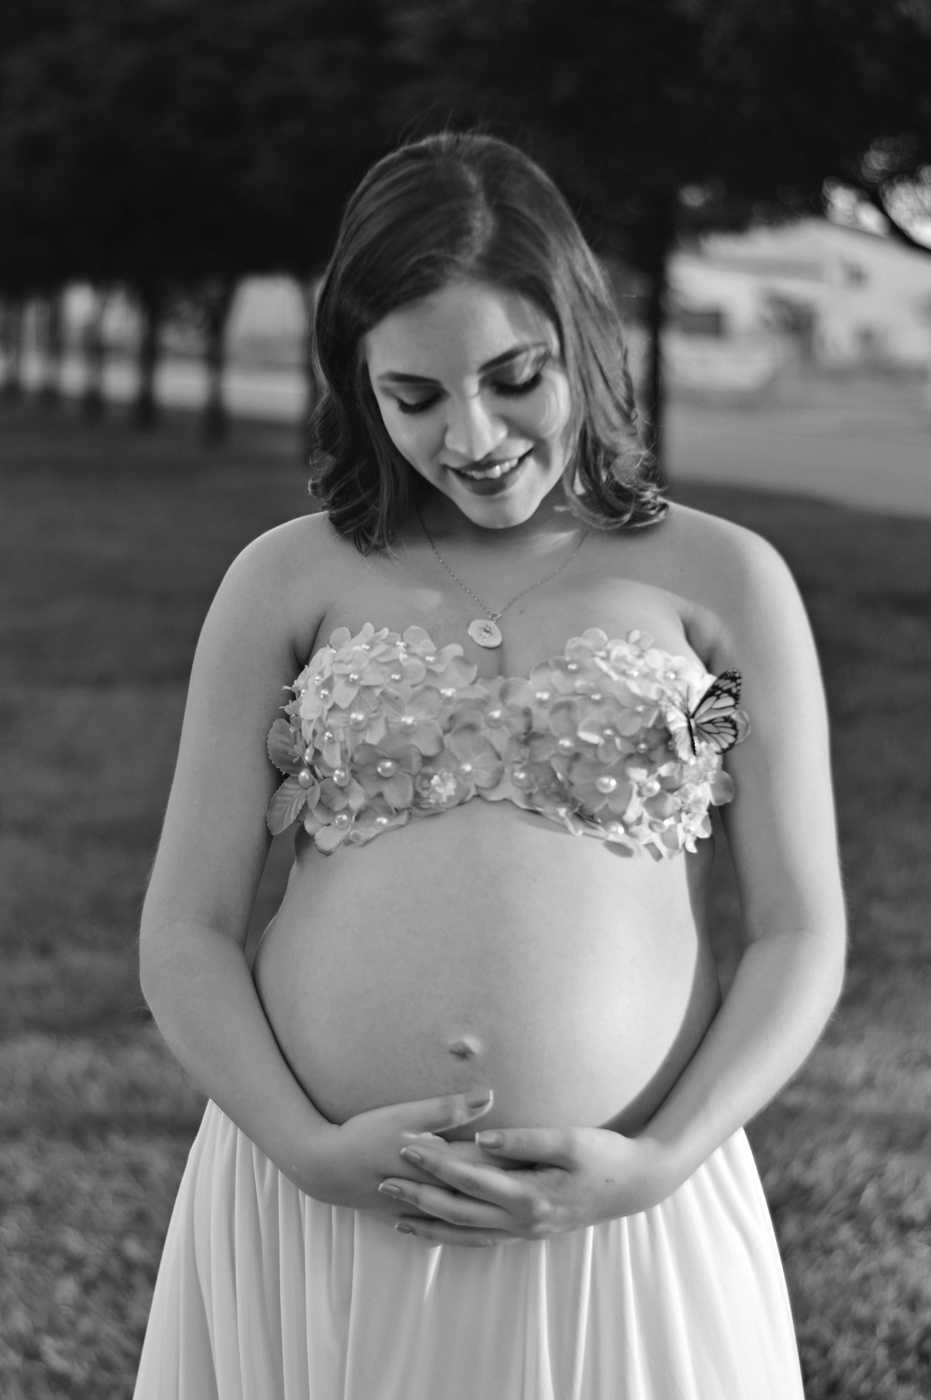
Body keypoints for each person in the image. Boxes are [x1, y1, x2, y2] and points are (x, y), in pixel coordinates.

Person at [133, 131, 846, 1400]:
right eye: (413, 397)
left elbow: (798, 928)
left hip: (620, 1211)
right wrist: (303, 1149)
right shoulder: (285, 580)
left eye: (515, 378)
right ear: (357, 383)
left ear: (582, 337)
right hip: (323, 1210)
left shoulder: (724, 581)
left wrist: (659, 1163)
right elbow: (186, 925)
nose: (472, 435)